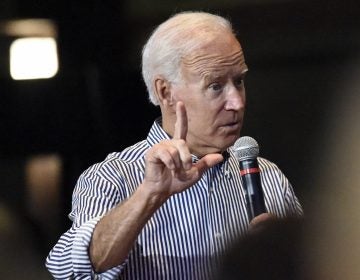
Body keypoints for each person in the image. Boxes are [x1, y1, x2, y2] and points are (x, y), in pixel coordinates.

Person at [46, 11, 303, 279]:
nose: (237, 103)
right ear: (165, 92)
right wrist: (150, 195)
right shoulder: (111, 178)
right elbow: (69, 270)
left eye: (238, 81)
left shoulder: (270, 178)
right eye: (215, 86)